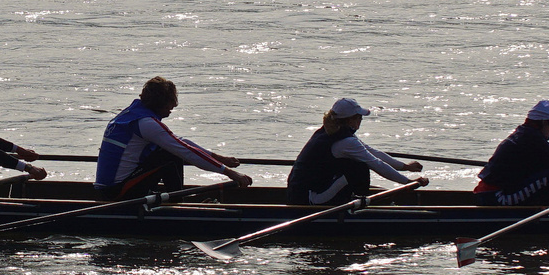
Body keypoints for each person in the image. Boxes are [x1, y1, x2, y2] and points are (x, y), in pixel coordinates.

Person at [94, 76, 252, 199]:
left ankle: (174, 199)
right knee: (171, 154)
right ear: (161, 102)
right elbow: (184, 150)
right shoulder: (146, 123)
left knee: (171, 149)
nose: (173, 108)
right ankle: (177, 203)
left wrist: (218, 158)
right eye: (171, 103)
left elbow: (180, 142)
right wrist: (231, 174)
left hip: (111, 186)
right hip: (117, 191)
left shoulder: (132, 113)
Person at [286, 98, 433, 205]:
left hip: (301, 192)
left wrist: (405, 167)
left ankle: (351, 199)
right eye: (359, 117)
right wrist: (408, 183)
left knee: (357, 165)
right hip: (309, 198)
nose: (361, 119)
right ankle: (353, 204)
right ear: (350, 120)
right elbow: (376, 163)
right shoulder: (346, 141)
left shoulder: (331, 131)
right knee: (359, 168)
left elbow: (372, 152)